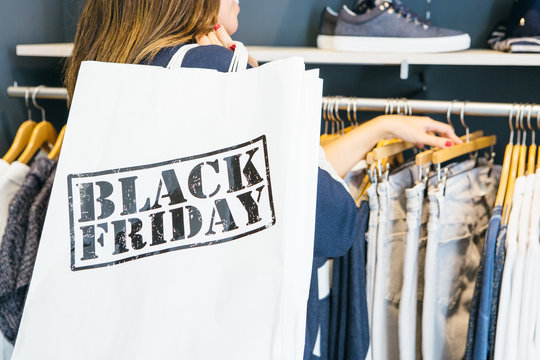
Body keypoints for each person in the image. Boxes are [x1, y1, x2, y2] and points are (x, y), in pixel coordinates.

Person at [64, 0, 462, 358]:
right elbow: (331, 226)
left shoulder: (109, 79)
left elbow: (272, 189)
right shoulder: (216, 75)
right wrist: (255, 96)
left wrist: (381, 127)